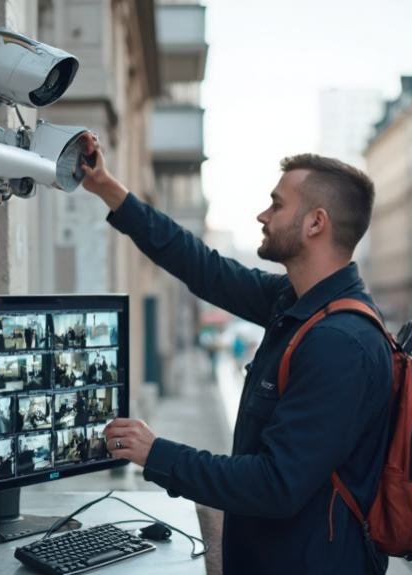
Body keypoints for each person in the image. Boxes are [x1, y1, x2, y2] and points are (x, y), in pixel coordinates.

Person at [81, 132, 393, 574]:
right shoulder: (295, 303)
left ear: (315, 223)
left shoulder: (340, 343)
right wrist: (107, 189)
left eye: (278, 204)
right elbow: (203, 267)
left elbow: (275, 484)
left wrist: (156, 453)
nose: (263, 215)